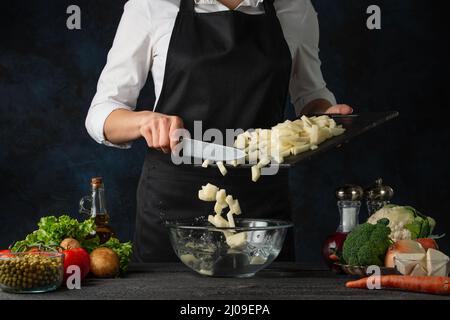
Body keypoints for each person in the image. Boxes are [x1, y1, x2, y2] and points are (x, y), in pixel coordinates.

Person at [86, 0, 353, 262]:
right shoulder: (151, 6)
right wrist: (143, 121)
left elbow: (310, 94)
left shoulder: (295, 8)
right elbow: (101, 114)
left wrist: (325, 119)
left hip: (262, 209)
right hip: (171, 206)